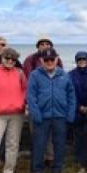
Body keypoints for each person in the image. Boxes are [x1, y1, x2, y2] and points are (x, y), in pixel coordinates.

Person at [27, 48, 76, 173]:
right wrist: (36, 114)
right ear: (41, 60)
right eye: (46, 60)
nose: (49, 62)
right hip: (42, 117)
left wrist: (70, 113)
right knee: (39, 145)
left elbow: (71, 96)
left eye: (52, 59)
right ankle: (37, 171)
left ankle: (57, 169)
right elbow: (31, 97)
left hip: (60, 116)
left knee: (59, 144)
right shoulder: (35, 75)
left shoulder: (64, 75)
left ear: (56, 59)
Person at [23, 35, 63, 165]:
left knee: (51, 133)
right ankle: (38, 159)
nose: (45, 46)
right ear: (38, 46)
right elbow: (27, 81)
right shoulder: (30, 59)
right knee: (36, 133)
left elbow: (61, 79)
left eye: (47, 44)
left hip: (52, 104)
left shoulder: (58, 60)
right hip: (35, 103)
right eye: (42, 44)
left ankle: (50, 158)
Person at [68, 51, 87, 167]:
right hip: (76, 108)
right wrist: (78, 107)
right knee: (78, 135)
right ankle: (78, 157)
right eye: (79, 60)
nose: (82, 61)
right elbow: (69, 93)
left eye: (84, 59)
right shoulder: (70, 75)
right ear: (76, 61)